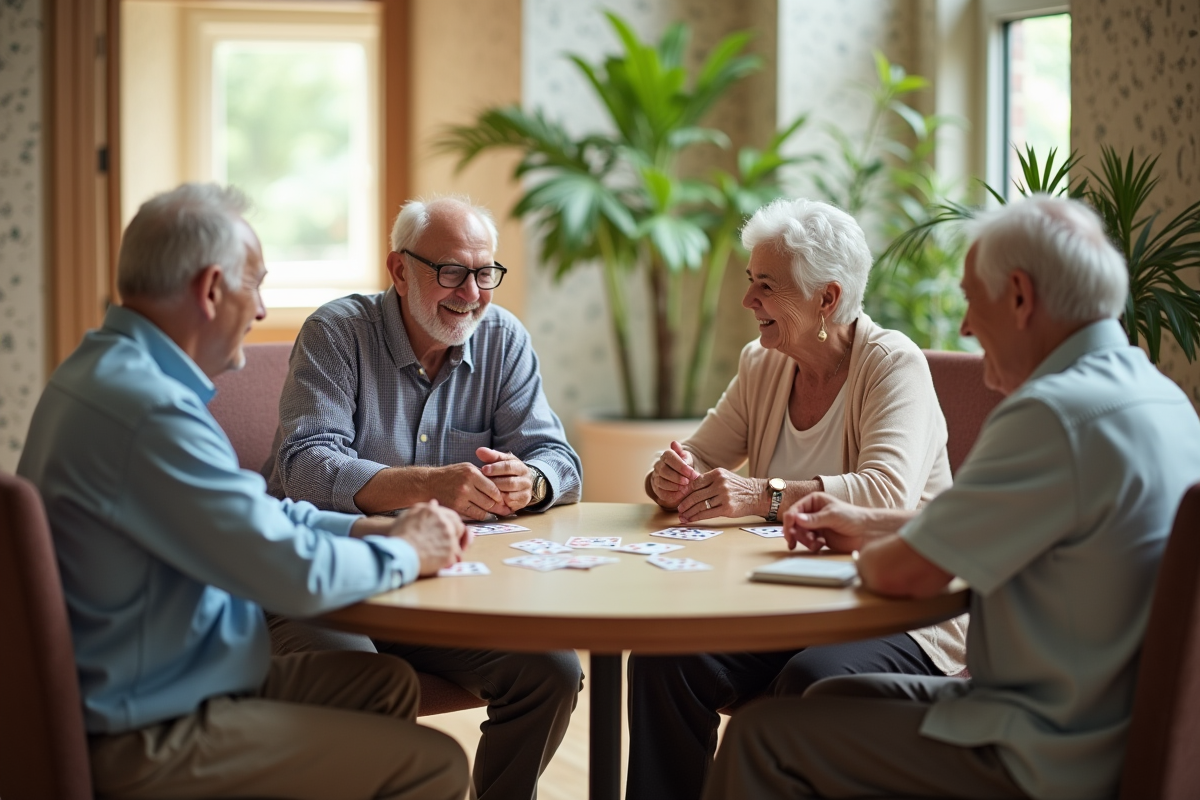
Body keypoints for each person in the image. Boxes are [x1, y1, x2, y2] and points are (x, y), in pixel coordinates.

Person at [702, 194, 1200, 800]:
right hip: (1107, 722)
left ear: (1018, 295)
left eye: (971, 299)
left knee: (763, 736)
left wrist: (877, 539)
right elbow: (990, 528)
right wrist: (870, 522)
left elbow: (903, 574)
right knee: (833, 695)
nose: (964, 328)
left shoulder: (1049, 417)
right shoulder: (1163, 398)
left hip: (1039, 747)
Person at [16, 183, 472, 800]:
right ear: (209, 291)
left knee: (382, 683)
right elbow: (288, 574)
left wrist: (366, 528)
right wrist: (409, 552)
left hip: (160, 681)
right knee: (434, 765)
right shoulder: (149, 412)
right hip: (150, 727)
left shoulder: (104, 371)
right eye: (254, 284)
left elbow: (246, 512)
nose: (261, 310)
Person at [627, 197, 963, 800]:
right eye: (749, 281)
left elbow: (885, 493)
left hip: (897, 607)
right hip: (787, 599)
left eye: (765, 285)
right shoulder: (763, 362)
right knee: (664, 659)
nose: (747, 300)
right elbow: (702, 455)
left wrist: (761, 493)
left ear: (826, 299)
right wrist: (669, 477)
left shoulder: (891, 364)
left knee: (810, 680)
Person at [262, 196, 583, 800]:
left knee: (553, 670)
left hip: (441, 591)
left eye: (485, 272)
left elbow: (560, 461)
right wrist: (428, 486)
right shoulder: (338, 332)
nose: (472, 292)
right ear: (399, 269)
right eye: (452, 271)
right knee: (364, 684)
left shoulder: (504, 339)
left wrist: (532, 481)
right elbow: (304, 466)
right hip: (324, 583)